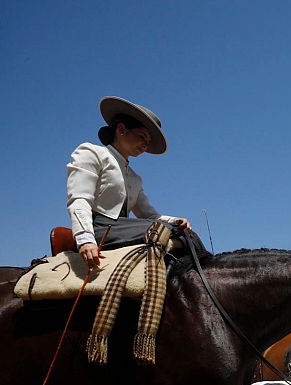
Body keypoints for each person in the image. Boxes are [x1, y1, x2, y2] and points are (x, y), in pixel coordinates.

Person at [67, 96, 205, 269]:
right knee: (162, 230)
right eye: (142, 137)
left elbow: (149, 216)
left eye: (148, 143)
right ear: (121, 129)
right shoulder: (91, 153)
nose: (145, 146)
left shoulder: (135, 178)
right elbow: (80, 199)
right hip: (98, 229)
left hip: (122, 229)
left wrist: (175, 220)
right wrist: (85, 239)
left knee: (184, 233)